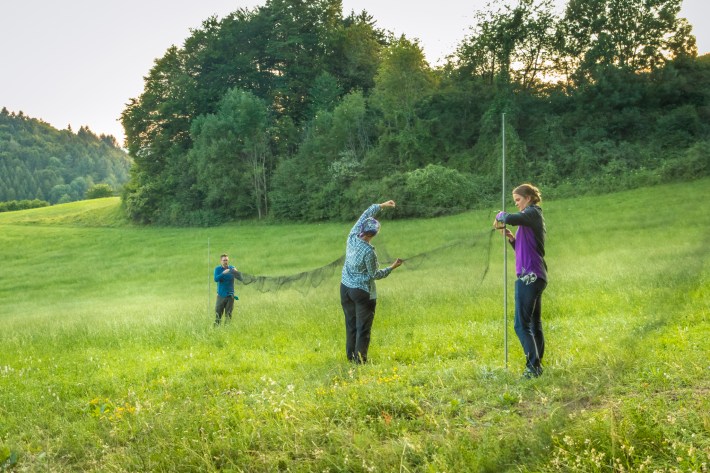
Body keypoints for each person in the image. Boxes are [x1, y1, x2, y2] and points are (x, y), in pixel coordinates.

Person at [494, 184, 548, 378]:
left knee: (520, 325)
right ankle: (537, 365)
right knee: (534, 324)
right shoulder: (531, 218)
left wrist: (500, 215)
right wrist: (511, 238)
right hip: (535, 274)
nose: (516, 204)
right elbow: (524, 251)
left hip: (529, 276)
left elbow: (510, 218)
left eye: (518, 200)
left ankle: (532, 368)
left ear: (528, 197)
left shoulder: (532, 212)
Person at [341, 201, 403, 363]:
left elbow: (365, 214)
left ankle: (350, 357)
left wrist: (382, 205)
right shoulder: (369, 252)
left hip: (345, 289)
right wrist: (392, 267)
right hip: (362, 292)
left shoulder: (352, 236)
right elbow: (375, 275)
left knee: (351, 324)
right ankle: (360, 361)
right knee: (363, 328)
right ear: (371, 235)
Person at [214, 253, 243, 326]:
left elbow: (241, 279)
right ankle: (216, 329)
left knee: (228, 315)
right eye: (224, 260)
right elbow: (216, 279)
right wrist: (223, 273)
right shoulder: (218, 269)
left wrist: (237, 272)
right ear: (221, 261)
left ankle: (227, 329)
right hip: (221, 296)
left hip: (230, 296)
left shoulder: (232, 268)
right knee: (218, 314)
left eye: (226, 260)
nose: (225, 262)